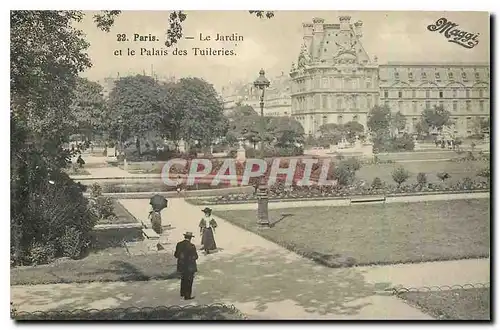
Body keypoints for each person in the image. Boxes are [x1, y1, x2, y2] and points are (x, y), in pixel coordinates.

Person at [174, 232, 198, 300]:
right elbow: (195, 257)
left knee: (183, 278)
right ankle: (187, 296)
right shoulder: (192, 246)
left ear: (185, 237)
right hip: (190, 266)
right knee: (189, 281)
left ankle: (182, 293)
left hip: (181, 265)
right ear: (190, 238)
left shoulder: (179, 244)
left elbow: (176, 255)